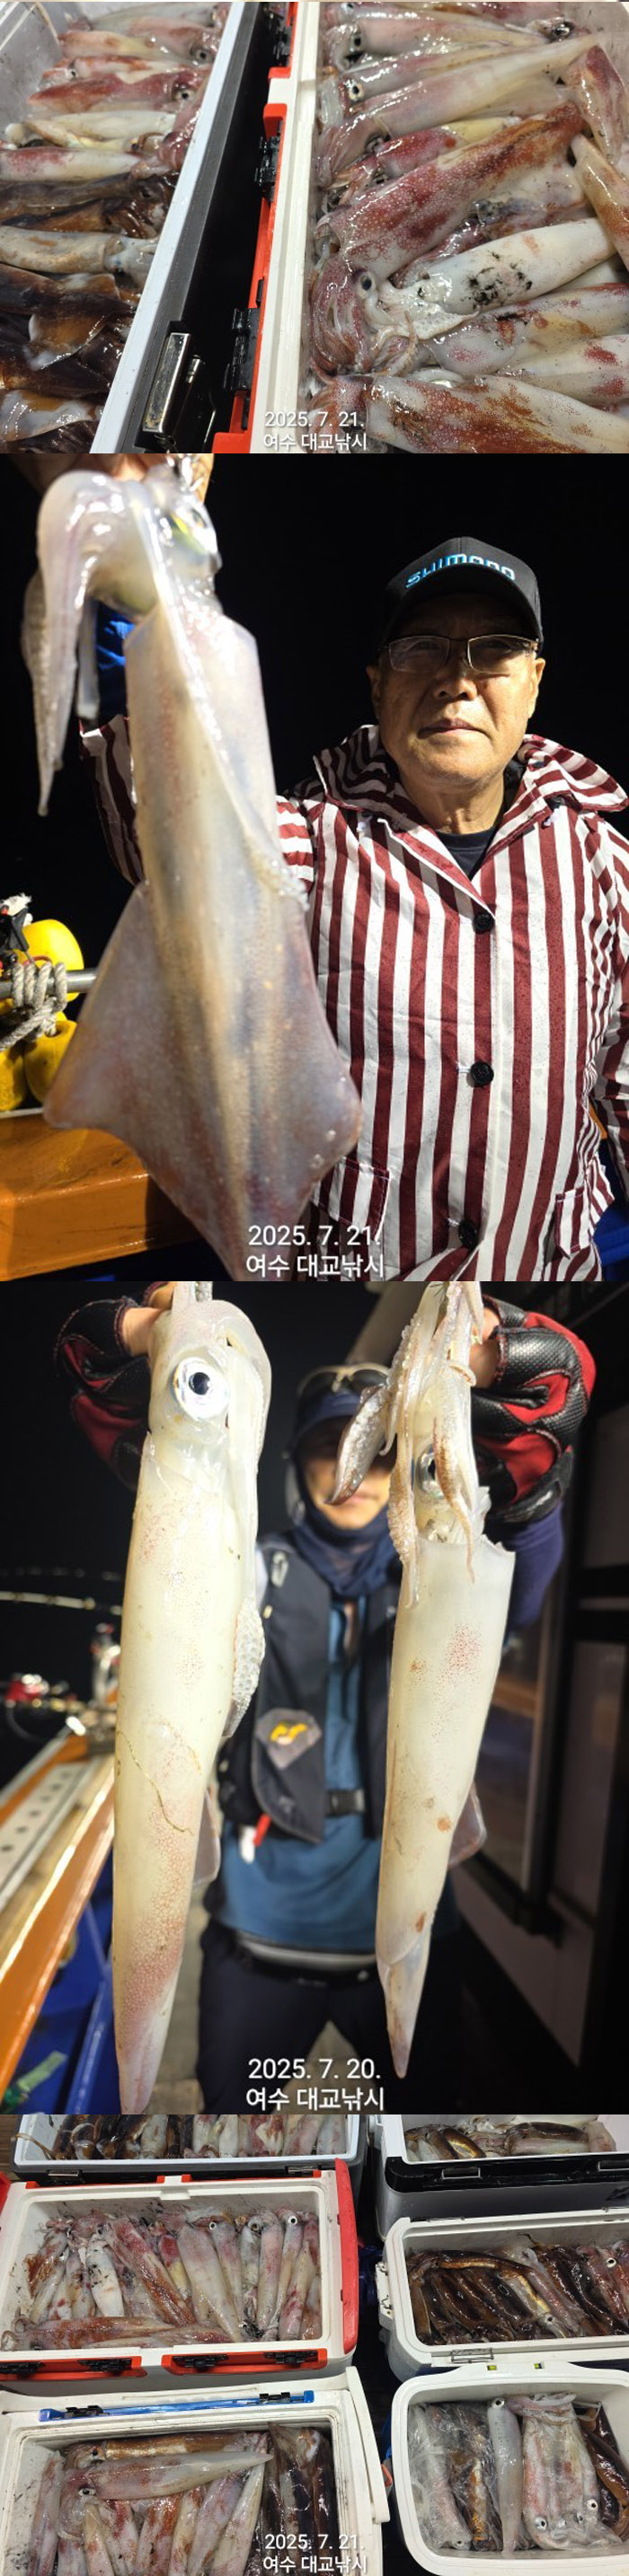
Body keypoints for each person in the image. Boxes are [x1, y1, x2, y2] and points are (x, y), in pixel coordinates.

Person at [55, 1287, 594, 2105]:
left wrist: (531, 1501)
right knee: (235, 2144)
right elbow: (178, 1579)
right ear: (296, 1466)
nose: (354, 1476)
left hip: (404, 1938)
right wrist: (149, 1403)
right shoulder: (246, 1569)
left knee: (422, 2138)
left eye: (376, 1455)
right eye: (326, 1450)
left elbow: (516, 1593)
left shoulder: (429, 1570)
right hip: (259, 1943)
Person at [81, 526, 629, 1288]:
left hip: (546, 1278)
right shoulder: (312, 841)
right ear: (378, 685)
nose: (456, 679)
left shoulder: (604, 861)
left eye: (495, 652)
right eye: (422, 649)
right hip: (348, 1289)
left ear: (533, 681)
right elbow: (174, 826)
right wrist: (136, 592)